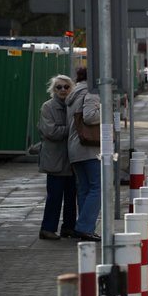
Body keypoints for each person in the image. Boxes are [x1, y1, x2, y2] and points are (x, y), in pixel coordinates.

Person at [38, 75, 77, 240]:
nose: (62, 90)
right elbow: (50, 131)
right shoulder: (47, 107)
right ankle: (47, 229)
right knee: (54, 197)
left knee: (71, 197)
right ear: (53, 90)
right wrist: (72, 130)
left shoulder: (73, 106)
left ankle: (69, 227)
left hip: (72, 159)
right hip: (55, 159)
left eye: (66, 87)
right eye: (59, 87)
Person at [66, 67, 102, 242]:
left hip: (74, 148)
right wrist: (107, 111)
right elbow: (89, 117)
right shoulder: (91, 93)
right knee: (98, 187)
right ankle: (85, 227)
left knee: (84, 189)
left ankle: (83, 226)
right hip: (89, 148)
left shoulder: (73, 94)